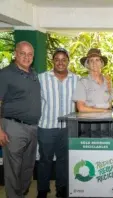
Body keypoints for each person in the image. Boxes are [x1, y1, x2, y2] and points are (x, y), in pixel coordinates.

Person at [0, 41, 41, 198]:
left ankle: (21, 194)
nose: (26, 57)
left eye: (30, 54)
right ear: (15, 54)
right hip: (13, 127)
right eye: (23, 53)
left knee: (27, 168)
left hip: (32, 128)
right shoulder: (5, 74)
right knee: (13, 169)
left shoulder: (33, 74)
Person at [37, 48, 78, 198]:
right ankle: (42, 189)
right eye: (57, 59)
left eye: (64, 59)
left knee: (63, 160)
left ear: (68, 61)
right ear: (52, 61)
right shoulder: (41, 78)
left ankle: (61, 188)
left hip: (67, 127)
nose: (60, 62)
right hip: (46, 126)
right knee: (45, 160)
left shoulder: (76, 79)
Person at [72, 48, 113, 137]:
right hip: (88, 125)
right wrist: (103, 110)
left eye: (97, 60)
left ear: (102, 63)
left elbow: (109, 104)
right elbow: (81, 108)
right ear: (87, 64)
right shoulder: (82, 82)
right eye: (91, 60)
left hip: (106, 124)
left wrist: (93, 107)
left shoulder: (108, 81)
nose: (94, 63)